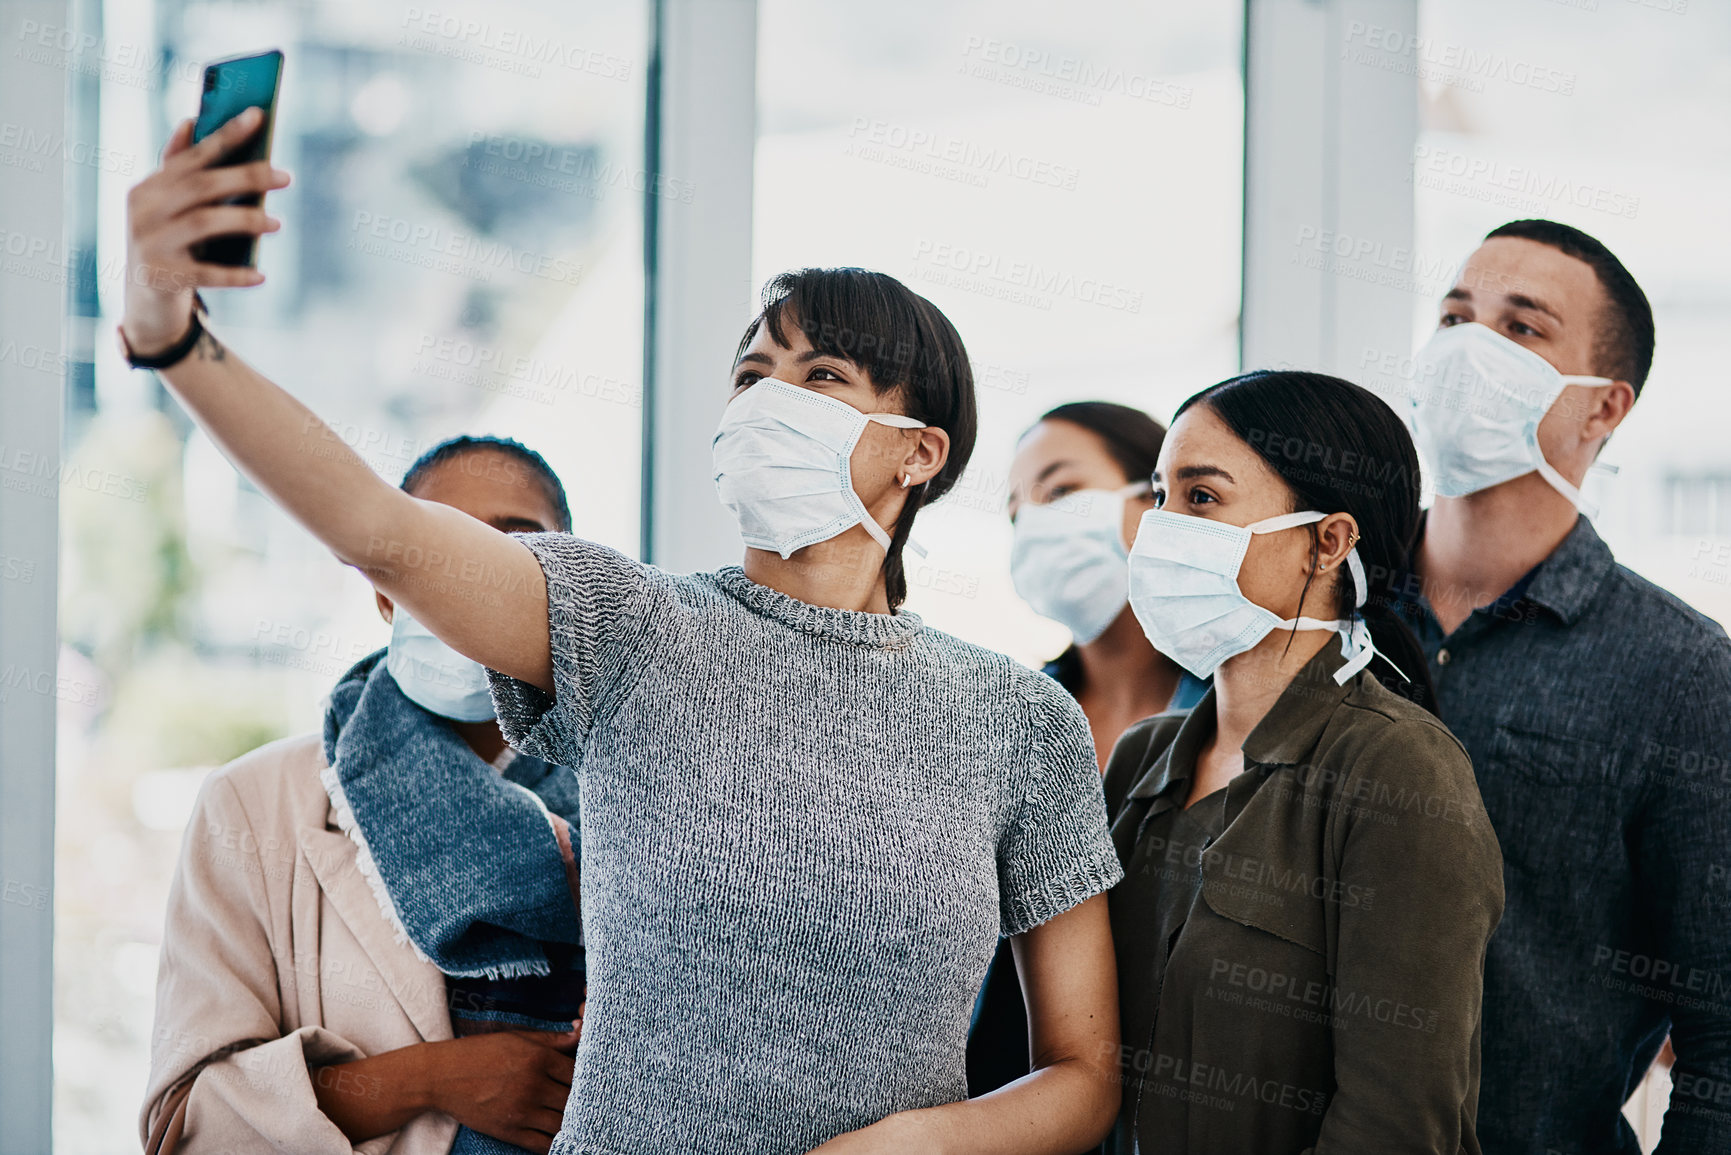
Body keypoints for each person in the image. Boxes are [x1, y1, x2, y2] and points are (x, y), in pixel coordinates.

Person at [121, 107, 1124, 1155]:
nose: (768, 400)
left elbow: (1084, 1071)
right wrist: (172, 336)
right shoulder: (633, 630)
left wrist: (915, 1144)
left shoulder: (1020, 721)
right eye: (752, 374)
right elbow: (379, 527)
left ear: (919, 454)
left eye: (821, 376)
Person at [141, 436, 586, 1155]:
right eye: (432, 545)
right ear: (384, 591)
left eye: (510, 548)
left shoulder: (646, 799)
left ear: (569, 585)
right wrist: (430, 1080)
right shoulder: (254, 806)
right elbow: (188, 1125)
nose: (471, 575)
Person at [1103, 369, 1505, 1153]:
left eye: (1202, 498)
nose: (1159, 529)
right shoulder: (1140, 759)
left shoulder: (1397, 770)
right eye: (1160, 497)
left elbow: (1395, 1123)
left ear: (1329, 540)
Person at [1396, 218, 1731, 1155]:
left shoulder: (1680, 670)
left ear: (1604, 407)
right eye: (1453, 316)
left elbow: (1721, 1033)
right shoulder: (1322, 602)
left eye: (1521, 328)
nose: (1468, 348)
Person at [968, 402, 1208, 1097]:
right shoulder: (1012, 717)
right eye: (1017, 511)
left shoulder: (1233, 712)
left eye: (1060, 490)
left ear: (1154, 500)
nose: (1033, 524)